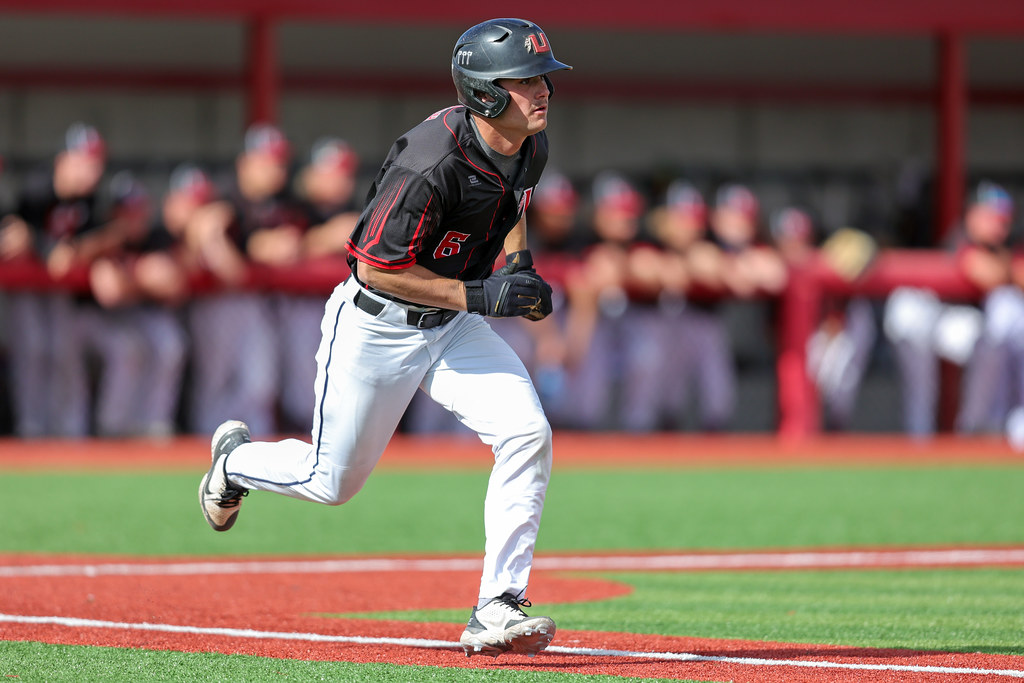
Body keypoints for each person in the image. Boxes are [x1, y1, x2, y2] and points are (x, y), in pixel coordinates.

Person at [198, 18, 569, 659]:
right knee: (331, 481)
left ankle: (498, 605)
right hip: (376, 323)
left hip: (451, 324)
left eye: (542, 78)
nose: (541, 91)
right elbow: (377, 267)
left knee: (527, 431)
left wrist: (516, 265)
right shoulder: (431, 161)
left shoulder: (529, 142)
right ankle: (234, 464)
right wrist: (481, 294)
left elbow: (513, 205)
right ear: (483, 92)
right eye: (524, 80)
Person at [186, 122, 306, 436]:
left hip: (254, 302)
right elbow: (197, 233)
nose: (275, 170)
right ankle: (199, 452)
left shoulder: (280, 202)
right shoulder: (224, 194)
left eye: (279, 163)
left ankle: (252, 453)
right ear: (246, 163)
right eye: (266, 162)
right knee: (215, 384)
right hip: (214, 301)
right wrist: (227, 249)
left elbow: (292, 243)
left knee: (259, 384)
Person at [883, 180, 1015, 437]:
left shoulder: (1001, 248)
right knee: (905, 314)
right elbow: (984, 271)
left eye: (1003, 220)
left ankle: (973, 431)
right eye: (992, 218)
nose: (999, 226)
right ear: (973, 214)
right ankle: (918, 437)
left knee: (998, 331)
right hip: (925, 313)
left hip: (957, 322)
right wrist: (1012, 270)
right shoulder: (960, 237)